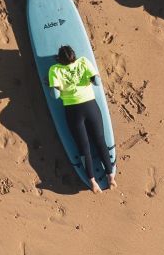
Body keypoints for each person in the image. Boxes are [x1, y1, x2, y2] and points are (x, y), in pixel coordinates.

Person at [49, 45, 116, 194]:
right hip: (90, 106)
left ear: (59, 58)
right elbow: (97, 82)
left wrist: (51, 84)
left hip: (73, 111)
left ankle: (93, 182)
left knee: (83, 147)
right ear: (74, 55)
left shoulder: (55, 70)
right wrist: (91, 78)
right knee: (100, 141)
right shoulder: (84, 62)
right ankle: (111, 176)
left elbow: (55, 96)